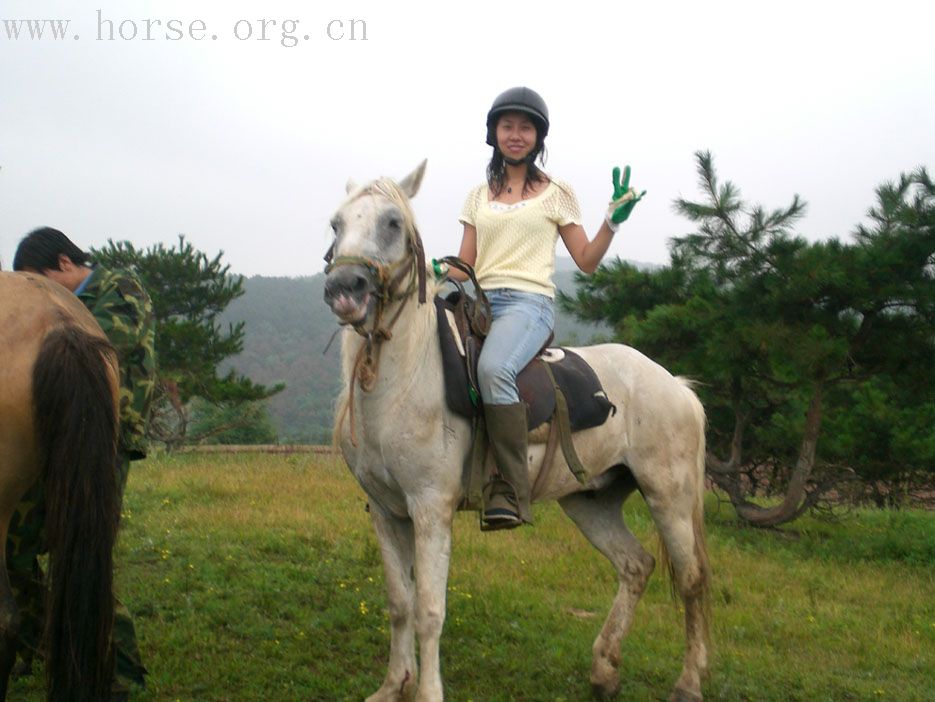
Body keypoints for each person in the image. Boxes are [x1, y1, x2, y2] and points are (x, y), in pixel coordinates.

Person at [449, 86, 644, 530]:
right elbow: (466, 264)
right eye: (507, 126)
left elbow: (587, 261)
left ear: (538, 137)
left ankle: (511, 491)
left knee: (494, 369)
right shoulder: (478, 196)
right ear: (494, 133)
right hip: (479, 300)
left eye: (525, 127)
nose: (515, 135)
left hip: (528, 303)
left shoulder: (558, 193)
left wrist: (611, 221)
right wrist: (435, 271)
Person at [12, 227, 156, 698]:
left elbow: (98, 343)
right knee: (18, 544)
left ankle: (120, 671)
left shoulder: (122, 289)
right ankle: (37, 635)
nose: (44, 297)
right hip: (55, 436)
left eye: (45, 284)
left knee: (84, 541)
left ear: (67, 264)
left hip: (104, 439)